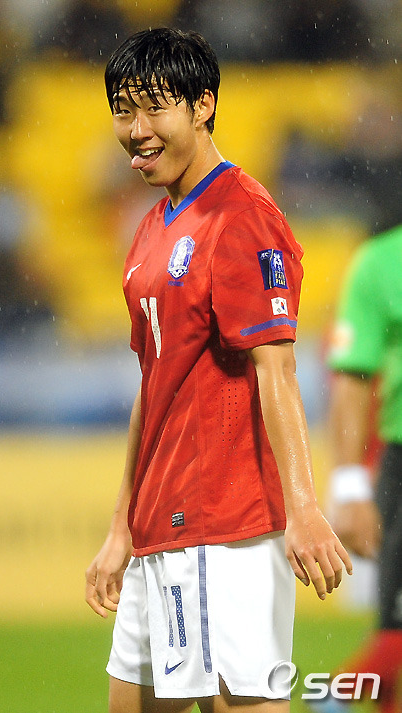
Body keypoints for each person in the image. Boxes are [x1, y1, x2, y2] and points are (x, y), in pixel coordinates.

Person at [85, 28, 352, 713]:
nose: (136, 130)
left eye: (154, 108)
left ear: (203, 105)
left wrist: (304, 508)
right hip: (160, 526)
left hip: (223, 529)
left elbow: (277, 370)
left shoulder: (242, 218)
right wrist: (123, 525)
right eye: (123, 111)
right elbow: (156, 383)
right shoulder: (151, 228)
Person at [326, 224, 402, 713]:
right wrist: (351, 487)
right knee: (396, 628)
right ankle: (336, 694)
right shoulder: (381, 263)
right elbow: (352, 377)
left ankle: (335, 695)